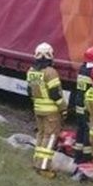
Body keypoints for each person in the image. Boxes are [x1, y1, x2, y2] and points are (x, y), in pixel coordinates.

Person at [27, 42, 67, 178]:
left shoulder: (31, 71)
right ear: (50, 55)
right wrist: (64, 108)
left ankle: (36, 162)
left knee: (41, 135)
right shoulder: (51, 72)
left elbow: (29, 91)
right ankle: (43, 167)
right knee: (50, 138)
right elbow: (55, 93)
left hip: (38, 109)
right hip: (51, 111)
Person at [68, 46, 93, 163]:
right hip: (88, 106)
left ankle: (77, 156)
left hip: (79, 104)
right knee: (88, 131)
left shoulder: (82, 69)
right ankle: (86, 158)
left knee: (80, 129)